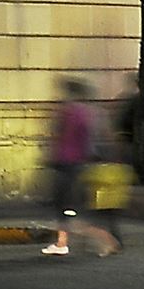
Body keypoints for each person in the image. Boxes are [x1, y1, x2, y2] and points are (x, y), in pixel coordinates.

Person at [41, 78, 118, 257]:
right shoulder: (87, 112)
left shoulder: (68, 112)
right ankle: (62, 243)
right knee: (66, 207)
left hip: (66, 163)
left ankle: (105, 238)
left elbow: (60, 136)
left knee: (66, 206)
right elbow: (89, 139)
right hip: (79, 163)